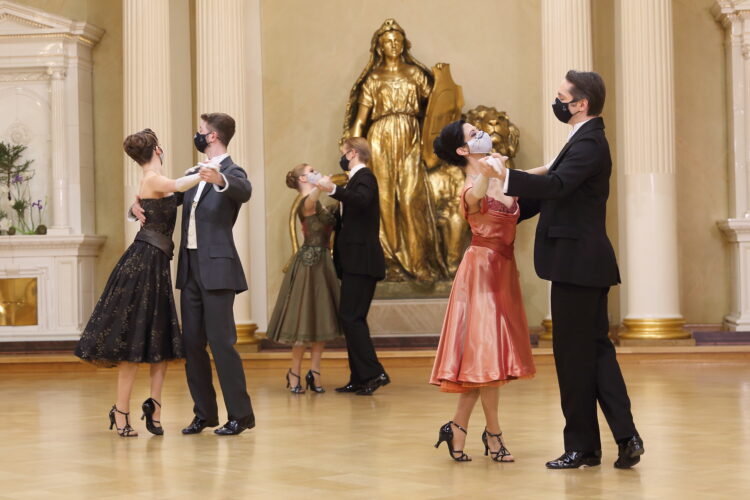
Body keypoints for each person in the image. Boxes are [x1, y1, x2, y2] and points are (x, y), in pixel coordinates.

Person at [496, 70, 644, 469]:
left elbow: (558, 186)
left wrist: (505, 177)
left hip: (578, 265)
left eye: (562, 97)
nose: (557, 101)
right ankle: (626, 436)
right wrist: (510, 209)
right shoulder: (581, 140)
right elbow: (554, 196)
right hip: (583, 263)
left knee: (573, 357)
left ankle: (582, 447)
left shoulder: (590, 142)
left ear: (581, 104)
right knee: (596, 353)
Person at [131, 113, 255, 436]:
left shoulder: (231, 172)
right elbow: (160, 200)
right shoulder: (191, 174)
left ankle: (240, 415)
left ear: (213, 136)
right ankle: (205, 413)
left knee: (222, 343)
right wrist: (134, 208)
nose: (197, 135)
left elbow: (244, 190)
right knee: (192, 344)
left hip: (218, 269)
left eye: (201, 131)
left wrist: (219, 180)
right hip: (191, 270)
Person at [76, 128, 202, 437]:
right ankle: (120, 411)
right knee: (133, 342)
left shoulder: (151, 184)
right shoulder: (152, 179)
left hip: (155, 264)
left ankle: (154, 408)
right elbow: (179, 185)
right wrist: (208, 170)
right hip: (142, 264)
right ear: (157, 150)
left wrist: (134, 210)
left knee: (160, 340)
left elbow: (172, 196)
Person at [429, 121, 539, 462]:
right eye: (474, 134)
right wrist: (490, 172)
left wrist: (567, 157)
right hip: (480, 273)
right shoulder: (471, 186)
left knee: (484, 362)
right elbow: (476, 194)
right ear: (463, 150)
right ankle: (493, 435)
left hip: (504, 271)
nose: (483, 135)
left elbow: (540, 175)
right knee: (487, 359)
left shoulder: (502, 174)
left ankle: (456, 428)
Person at [342, 18, 445, 282]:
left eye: (398, 40)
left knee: (412, 198)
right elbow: (361, 120)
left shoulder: (415, 74)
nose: (393, 44)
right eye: (388, 41)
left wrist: (443, 82)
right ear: (379, 47)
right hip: (380, 138)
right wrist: (350, 154)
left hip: (410, 135)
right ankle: (389, 259)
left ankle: (418, 259)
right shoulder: (374, 78)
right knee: (384, 199)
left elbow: (436, 109)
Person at [317, 138, 390, 396]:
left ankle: (373, 373)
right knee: (351, 318)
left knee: (352, 317)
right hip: (353, 261)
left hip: (362, 261)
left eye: (343, 154)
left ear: (353, 153)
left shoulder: (365, 177)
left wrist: (331, 189)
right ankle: (360, 377)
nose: (342, 158)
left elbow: (360, 200)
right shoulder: (354, 180)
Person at [267, 163, 343, 394]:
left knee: (321, 319)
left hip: (323, 264)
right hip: (308, 266)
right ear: (302, 178)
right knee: (302, 322)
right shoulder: (305, 202)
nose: (314, 172)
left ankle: (316, 372)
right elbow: (310, 204)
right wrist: (322, 185)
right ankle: (294, 372)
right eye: (309, 170)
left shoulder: (316, 200)